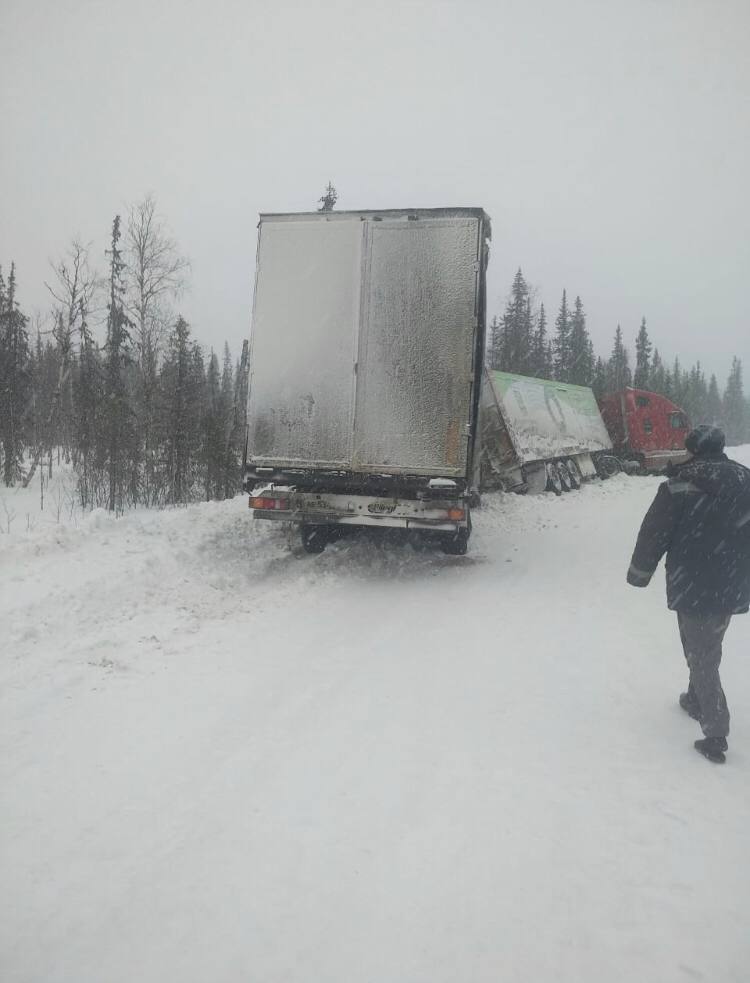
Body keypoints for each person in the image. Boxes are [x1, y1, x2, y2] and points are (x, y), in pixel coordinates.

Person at [626, 425, 750, 763]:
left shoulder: (678, 484)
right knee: (706, 644)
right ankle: (696, 697)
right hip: (730, 581)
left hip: (692, 580)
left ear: (693, 449)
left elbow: (654, 532)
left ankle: (716, 732)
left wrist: (639, 574)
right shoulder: (745, 480)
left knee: (702, 653)